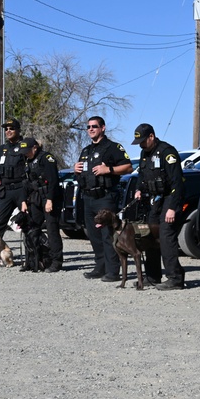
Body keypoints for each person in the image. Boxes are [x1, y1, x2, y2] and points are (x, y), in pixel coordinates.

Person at [74, 116, 133, 281]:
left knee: (107, 235)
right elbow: (81, 173)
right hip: (88, 197)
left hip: (105, 196)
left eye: (94, 126)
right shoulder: (86, 150)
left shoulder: (112, 147)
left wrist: (109, 169)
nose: (90, 129)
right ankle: (100, 267)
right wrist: (75, 169)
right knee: (93, 235)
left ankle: (113, 271)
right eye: (88, 127)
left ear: (103, 128)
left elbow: (128, 167)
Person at [132, 123, 186, 290]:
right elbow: (142, 175)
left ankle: (175, 278)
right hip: (154, 201)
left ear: (151, 137)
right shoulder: (144, 153)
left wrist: (172, 207)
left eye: (143, 141)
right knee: (149, 236)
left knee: (166, 236)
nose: (141, 145)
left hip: (169, 198)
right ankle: (152, 276)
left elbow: (178, 182)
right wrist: (139, 189)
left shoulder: (167, 152)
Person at [21, 138, 64, 272]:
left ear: (34, 148)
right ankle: (33, 261)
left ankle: (56, 261)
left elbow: (53, 180)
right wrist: (24, 201)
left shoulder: (46, 158)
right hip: (36, 198)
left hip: (49, 197)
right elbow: (26, 183)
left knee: (51, 229)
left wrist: (50, 199)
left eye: (27, 151)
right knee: (32, 228)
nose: (25, 154)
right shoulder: (28, 161)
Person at [0, 118, 33, 241]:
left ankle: (34, 256)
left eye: (11, 128)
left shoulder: (24, 146)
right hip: (6, 190)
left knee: (29, 222)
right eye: (6, 129)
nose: (8, 131)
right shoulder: (2, 148)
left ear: (18, 130)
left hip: (21, 189)